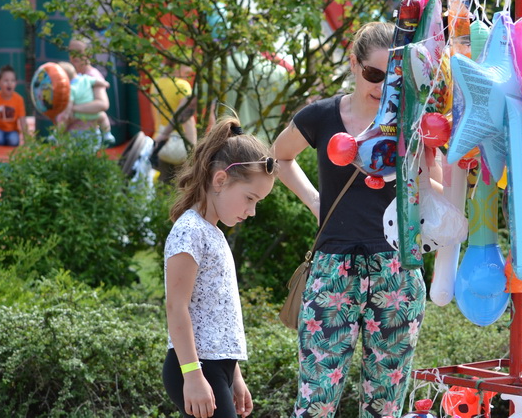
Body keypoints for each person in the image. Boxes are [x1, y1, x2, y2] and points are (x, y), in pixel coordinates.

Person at [272, 22, 427, 418]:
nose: (382, 85)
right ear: (354, 64)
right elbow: (279, 157)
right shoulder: (322, 116)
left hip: (396, 269)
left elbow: (435, 187)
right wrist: (316, 202)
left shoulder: (412, 120)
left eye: (393, 76)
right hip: (333, 269)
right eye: (374, 73)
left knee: (385, 406)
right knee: (316, 402)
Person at [162, 115, 277, 418]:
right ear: (220, 180)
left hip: (216, 367)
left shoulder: (213, 233)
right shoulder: (189, 231)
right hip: (196, 368)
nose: (252, 211)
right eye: (249, 198)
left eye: (257, 202)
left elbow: (219, 313)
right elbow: (176, 307)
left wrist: (234, 375)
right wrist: (192, 375)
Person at [55, 38, 111, 141]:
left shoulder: (93, 76)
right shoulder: (70, 75)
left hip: (86, 136)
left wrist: (71, 109)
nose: (74, 56)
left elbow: (102, 104)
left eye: (79, 52)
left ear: (89, 54)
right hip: (69, 136)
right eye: (71, 52)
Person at [57, 61, 115, 145]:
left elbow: (103, 104)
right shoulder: (85, 78)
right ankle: (107, 134)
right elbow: (96, 81)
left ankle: (56, 135)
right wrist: (105, 83)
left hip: (82, 127)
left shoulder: (72, 88)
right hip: (81, 127)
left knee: (64, 120)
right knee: (103, 117)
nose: (74, 59)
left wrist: (70, 111)